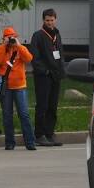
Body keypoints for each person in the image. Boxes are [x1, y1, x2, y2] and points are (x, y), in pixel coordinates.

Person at [0, 26, 36, 151]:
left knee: (24, 114)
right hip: (5, 88)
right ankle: (9, 142)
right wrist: (3, 45)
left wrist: (19, 45)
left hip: (20, 86)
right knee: (7, 115)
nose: (11, 39)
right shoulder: (0, 49)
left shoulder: (20, 48)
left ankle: (30, 142)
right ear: (3, 38)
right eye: (8, 37)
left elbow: (29, 58)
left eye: (13, 37)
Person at [29, 9, 65, 147]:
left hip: (56, 76)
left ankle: (50, 133)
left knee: (53, 106)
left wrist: (61, 70)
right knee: (42, 105)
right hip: (43, 77)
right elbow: (34, 57)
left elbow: (60, 53)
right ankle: (39, 134)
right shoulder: (38, 36)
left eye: (52, 20)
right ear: (43, 20)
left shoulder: (57, 34)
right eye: (47, 20)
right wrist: (45, 71)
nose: (50, 23)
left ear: (55, 19)